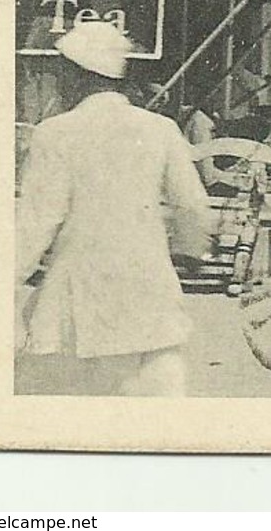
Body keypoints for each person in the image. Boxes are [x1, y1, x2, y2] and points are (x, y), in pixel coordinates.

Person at [14, 22, 213, 396]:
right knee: (154, 415)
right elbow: (192, 205)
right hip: (148, 289)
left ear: (77, 75)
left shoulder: (55, 133)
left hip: (80, 294)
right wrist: (188, 253)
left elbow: (37, 221)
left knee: (66, 409)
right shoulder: (161, 128)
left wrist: (2, 278)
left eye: (60, 73)